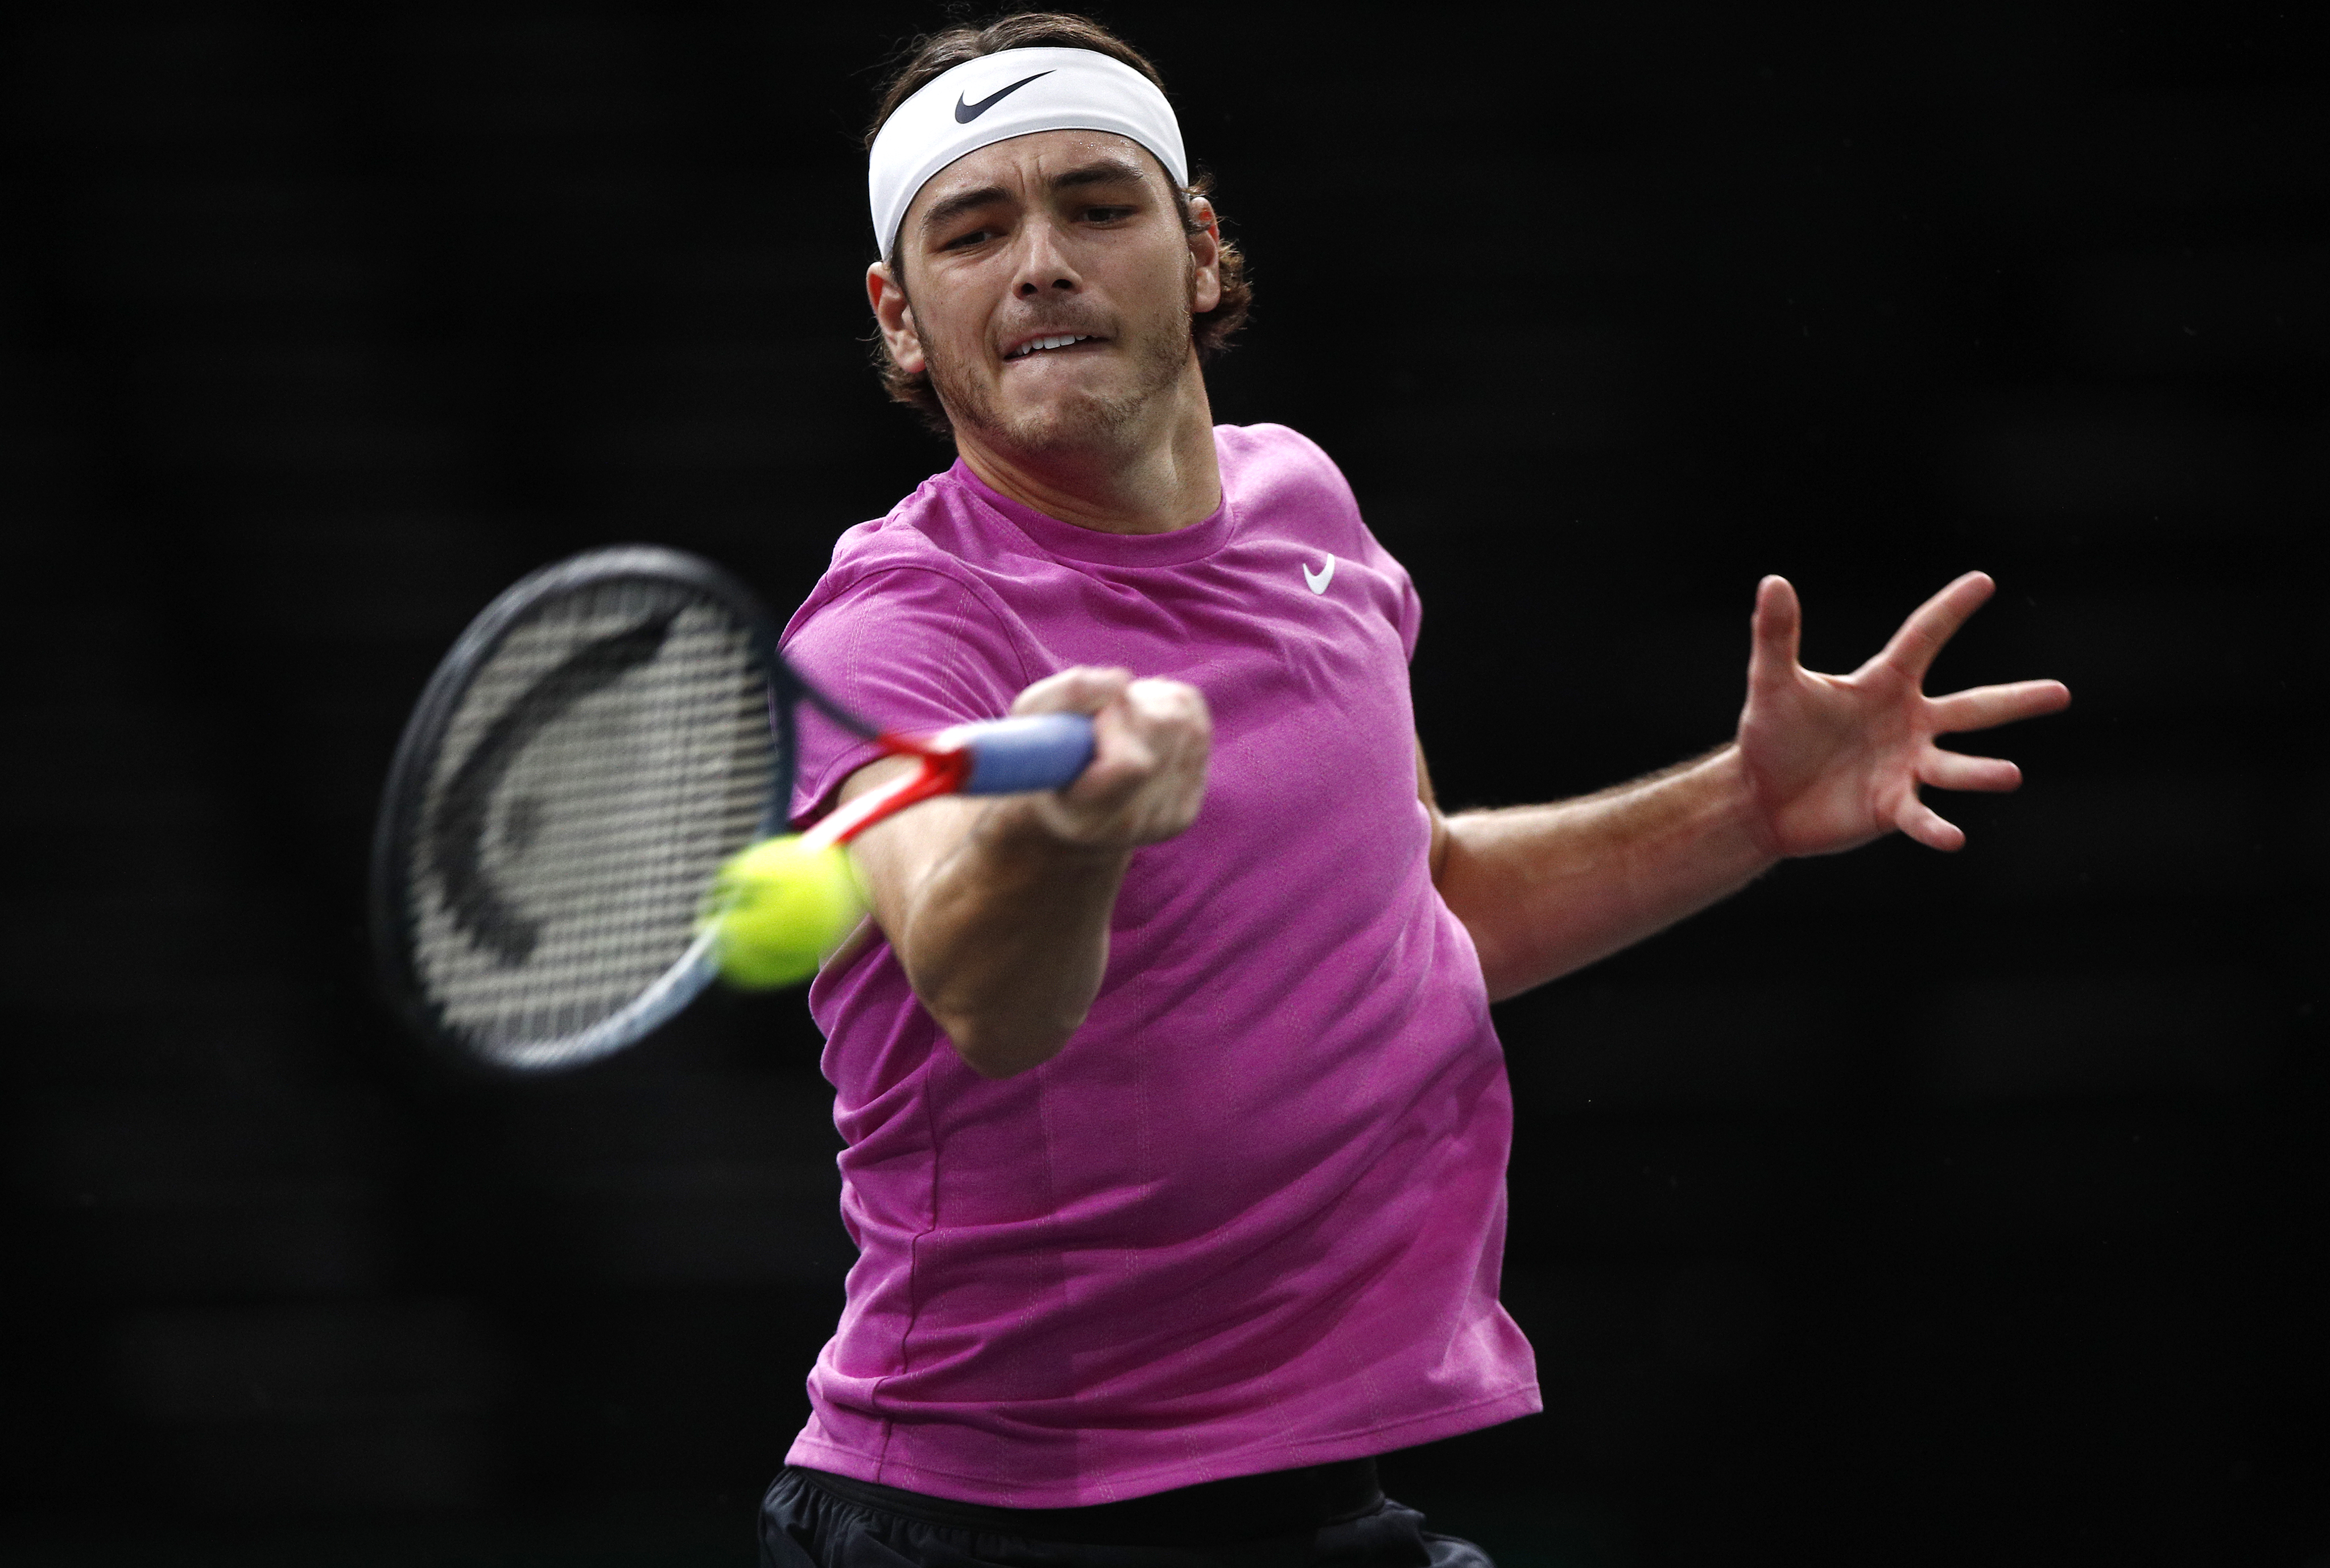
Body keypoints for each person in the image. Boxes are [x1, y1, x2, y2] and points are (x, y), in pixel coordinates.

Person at [759, 15, 2069, 1566]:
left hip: (1314, 1494)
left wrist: (1747, 809)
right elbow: (990, 994)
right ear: (902, 321)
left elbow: (1414, 908)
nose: (1041, 261)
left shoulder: (1304, 506)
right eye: (975, 233)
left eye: (1097, 206)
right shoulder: (889, 632)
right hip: (987, 1521)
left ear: (1198, 248)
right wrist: (1072, 832)